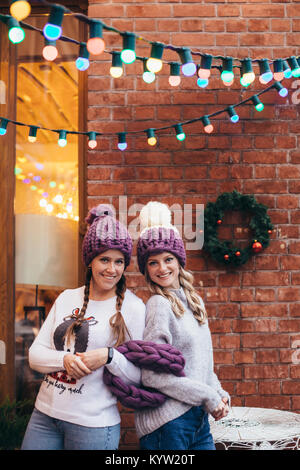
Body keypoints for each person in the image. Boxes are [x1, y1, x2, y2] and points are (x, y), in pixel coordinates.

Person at [21, 204, 145, 450]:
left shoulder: (134, 308)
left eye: (119, 261)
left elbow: (137, 378)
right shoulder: (67, 297)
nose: (112, 269)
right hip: (44, 416)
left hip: (93, 425)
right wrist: (65, 361)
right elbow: (35, 356)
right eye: (104, 260)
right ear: (90, 261)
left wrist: (109, 357)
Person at [135, 201, 230, 451]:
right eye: (153, 262)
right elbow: (153, 375)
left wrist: (218, 393)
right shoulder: (158, 304)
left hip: (198, 420)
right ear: (145, 268)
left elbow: (203, 363)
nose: (162, 268)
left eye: (168, 259)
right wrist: (208, 396)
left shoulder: (194, 302)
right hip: (168, 423)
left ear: (179, 260)